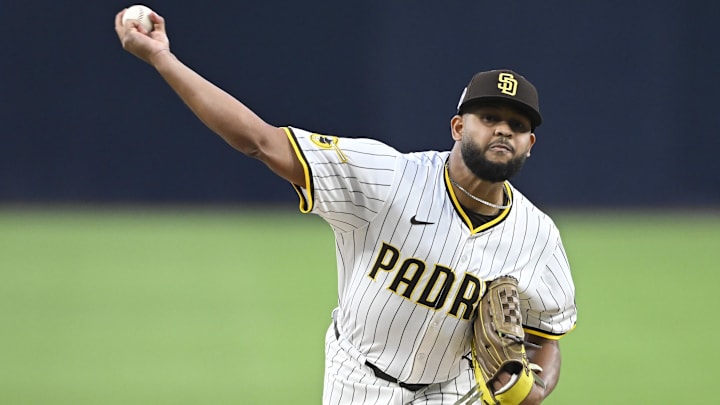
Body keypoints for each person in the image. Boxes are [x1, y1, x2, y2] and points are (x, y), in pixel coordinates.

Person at [115, 8, 577, 405]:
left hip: (452, 390)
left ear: (530, 144)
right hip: (358, 378)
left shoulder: (537, 237)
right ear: (458, 126)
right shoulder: (387, 177)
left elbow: (544, 339)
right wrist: (161, 57)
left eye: (516, 125)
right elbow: (259, 141)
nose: (502, 130)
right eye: (489, 117)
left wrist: (537, 385)